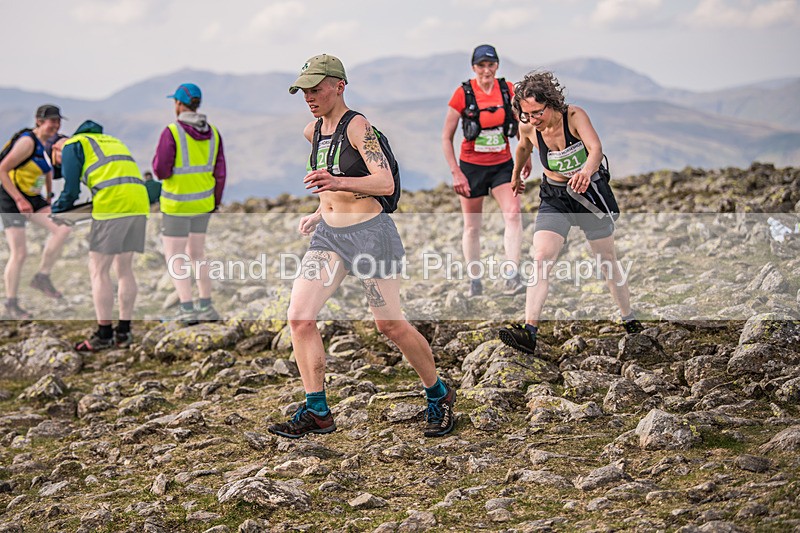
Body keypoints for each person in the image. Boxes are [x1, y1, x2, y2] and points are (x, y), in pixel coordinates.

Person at [267, 54, 456, 439]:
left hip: (371, 235)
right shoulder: (313, 131)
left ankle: (438, 394)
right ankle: (317, 410)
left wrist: (335, 184)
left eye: (316, 88)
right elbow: (328, 182)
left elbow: (383, 182)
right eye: (304, 89)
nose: (309, 96)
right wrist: (320, 213)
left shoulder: (359, 127)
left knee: (389, 324)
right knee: (300, 318)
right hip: (330, 237)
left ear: (339, 85)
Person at [497, 71, 643, 355]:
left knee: (606, 259)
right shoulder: (528, 126)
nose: (532, 119)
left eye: (537, 112)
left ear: (551, 103)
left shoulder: (574, 116)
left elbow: (595, 148)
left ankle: (629, 318)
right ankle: (529, 332)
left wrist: (587, 172)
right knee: (541, 256)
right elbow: (523, 147)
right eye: (526, 114)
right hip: (555, 197)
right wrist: (516, 174)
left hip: (589, 195)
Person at [52, 120, 150, 351]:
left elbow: (71, 189)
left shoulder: (71, 146)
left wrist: (58, 210)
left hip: (112, 206)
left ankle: (104, 334)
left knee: (98, 270)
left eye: (56, 162)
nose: (58, 167)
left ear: (56, 148)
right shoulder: (110, 141)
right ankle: (124, 332)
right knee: (124, 269)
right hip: (138, 203)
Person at [442, 44, 525, 297]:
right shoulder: (462, 94)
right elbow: (446, 138)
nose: (486, 70)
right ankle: (475, 281)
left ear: (497, 65)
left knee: (513, 214)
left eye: (491, 64)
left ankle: (512, 276)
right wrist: (456, 172)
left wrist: (525, 155)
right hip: (471, 168)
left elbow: (523, 123)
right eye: (481, 65)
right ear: (473, 67)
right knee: (472, 227)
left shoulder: (507, 90)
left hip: (503, 165)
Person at [153, 83, 226, 324]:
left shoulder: (171, 132)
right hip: (202, 205)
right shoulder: (214, 133)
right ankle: (206, 305)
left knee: (175, 256)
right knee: (197, 254)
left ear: (178, 104)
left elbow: (161, 171)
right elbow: (220, 172)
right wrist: (214, 202)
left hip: (176, 206)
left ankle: (186, 308)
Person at [0, 104, 72, 318]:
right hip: (10, 197)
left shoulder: (45, 143)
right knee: (20, 253)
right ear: (39, 121)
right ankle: (11, 304)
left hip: (33, 198)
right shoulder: (27, 142)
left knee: (62, 229)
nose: (56, 125)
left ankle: (42, 277)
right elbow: (2, 169)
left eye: (58, 121)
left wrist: (49, 196)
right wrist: (19, 199)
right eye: (52, 121)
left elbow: (47, 171)